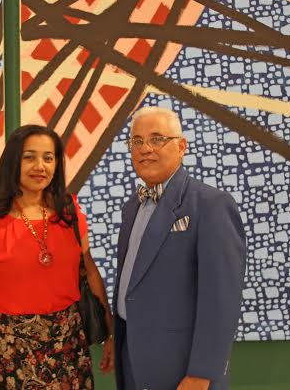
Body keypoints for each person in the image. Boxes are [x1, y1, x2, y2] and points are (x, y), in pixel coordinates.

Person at [0, 124, 114, 389]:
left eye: (48, 158)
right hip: (11, 351)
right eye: (29, 157)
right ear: (13, 162)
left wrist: (110, 332)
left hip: (69, 349)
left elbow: (89, 271)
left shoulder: (69, 211)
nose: (40, 166)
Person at [113, 106, 246, 390]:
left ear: (181, 146)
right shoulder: (132, 207)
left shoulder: (211, 204)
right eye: (137, 141)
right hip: (133, 362)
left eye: (157, 139)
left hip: (183, 370)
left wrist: (202, 372)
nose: (145, 148)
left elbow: (222, 299)